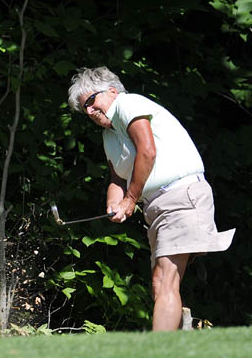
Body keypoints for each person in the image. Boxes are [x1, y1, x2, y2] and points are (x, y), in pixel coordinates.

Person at [67, 66, 234, 331]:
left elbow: (147, 151)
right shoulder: (109, 135)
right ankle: (181, 340)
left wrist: (130, 200)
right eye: (83, 109)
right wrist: (115, 203)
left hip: (181, 196)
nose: (88, 111)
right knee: (160, 284)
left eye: (90, 101)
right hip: (157, 208)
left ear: (112, 91)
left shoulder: (128, 103)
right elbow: (117, 179)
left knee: (165, 280)